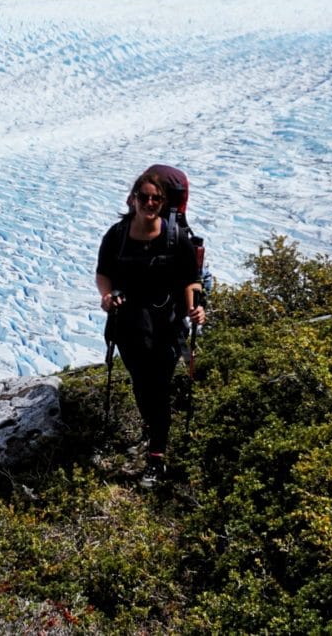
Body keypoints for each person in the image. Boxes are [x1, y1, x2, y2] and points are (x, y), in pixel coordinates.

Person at [95, 167, 207, 485]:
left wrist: (195, 309)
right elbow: (103, 273)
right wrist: (106, 296)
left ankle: (156, 458)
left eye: (156, 198)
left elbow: (191, 280)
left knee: (158, 388)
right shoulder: (117, 236)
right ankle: (152, 428)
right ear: (133, 199)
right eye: (143, 197)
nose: (149, 202)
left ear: (163, 202)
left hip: (166, 326)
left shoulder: (176, 239)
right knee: (142, 385)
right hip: (128, 326)